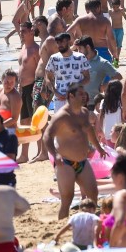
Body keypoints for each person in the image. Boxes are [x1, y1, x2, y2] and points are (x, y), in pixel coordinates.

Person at [43, 85, 107, 219]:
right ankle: (61, 227)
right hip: (65, 163)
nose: (84, 96)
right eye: (80, 94)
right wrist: (55, 155)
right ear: (71, 96)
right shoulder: (62, 116)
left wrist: (99, 148)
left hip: (82, 161)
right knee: (67, 199)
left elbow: (89, 130)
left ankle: (87, 221)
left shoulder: (84, 113)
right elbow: (47, 136)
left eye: (84, 93)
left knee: (93, 193)